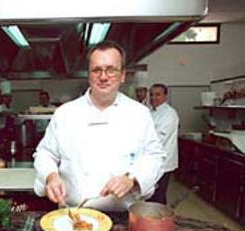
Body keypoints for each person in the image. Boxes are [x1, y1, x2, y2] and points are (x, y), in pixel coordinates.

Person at [33, 41, 165, 211]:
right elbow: (45, 153)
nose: (103, 77)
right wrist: (51, 176)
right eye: (96, 70)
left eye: (111, 69)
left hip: (123, 216)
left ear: (123, 75)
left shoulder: (139, 113)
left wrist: (131, 179)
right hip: (73, 214)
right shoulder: (65, 113)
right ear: (89, 75)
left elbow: (155, 156)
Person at [148, 83, 179, 204]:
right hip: (152, 160)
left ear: (166, 96)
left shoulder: (170, 114)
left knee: (158, 195)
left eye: (158, 94)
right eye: (151, 94)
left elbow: (158, 139)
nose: (153, 97)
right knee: (151, 194)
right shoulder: (150, 111)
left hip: (163, 162)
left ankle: (160, 221)